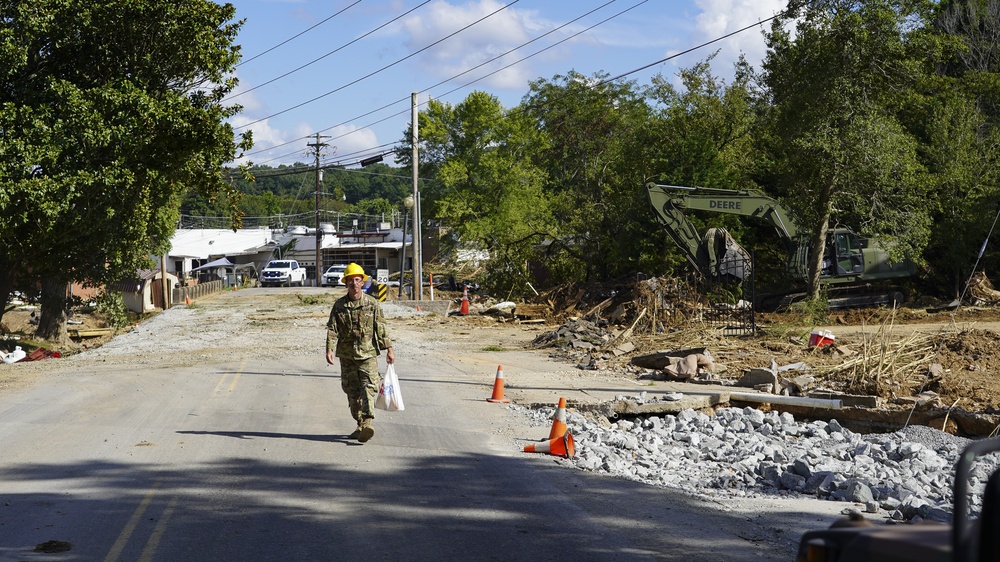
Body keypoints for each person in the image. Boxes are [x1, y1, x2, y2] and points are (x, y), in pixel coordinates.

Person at [325, 263, 394, 442]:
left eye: (357, 280)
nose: (354, 284)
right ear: (346, 283)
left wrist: (389, 349)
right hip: (347, 356)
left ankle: (368, 423)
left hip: (368, 354)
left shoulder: (372, 304)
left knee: (368, 387)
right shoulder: (339, 306)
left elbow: (381, 328)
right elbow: (332, 329)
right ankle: (360, 422)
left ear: (362, 283)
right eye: (350, 280)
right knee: (352, 392)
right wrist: (329, 349)